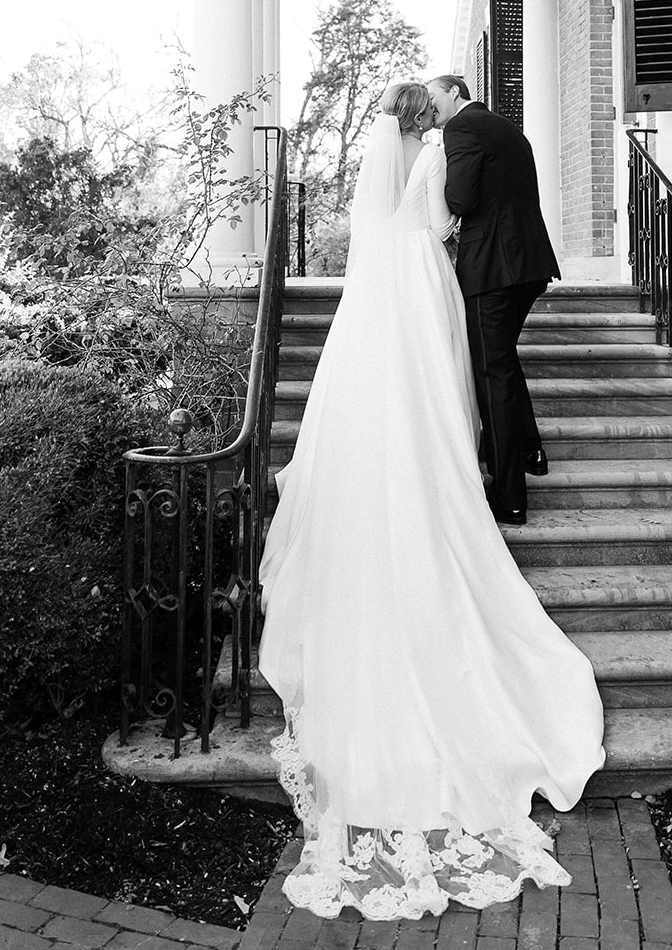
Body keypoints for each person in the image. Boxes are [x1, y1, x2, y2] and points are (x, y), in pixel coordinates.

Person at [258, 81, 605, 921]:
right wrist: (444, 231)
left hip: (387, 282)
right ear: (426, 115)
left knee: (400, 383)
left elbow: (424, 218)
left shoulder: (398, 166)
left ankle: (483, 456)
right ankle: (479, 460)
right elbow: (444, 218)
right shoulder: (438, 151)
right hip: (423, 278)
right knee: (445, 379)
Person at [427, 76, 559, 526]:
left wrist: (434, 178)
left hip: (493, 269)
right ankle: (531, 451)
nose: (430, 105)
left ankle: (510, 497)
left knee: (491, 373)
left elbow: (460, 199)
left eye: (434, 96)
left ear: (455, 93)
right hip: (529, 263)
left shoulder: (461, 130)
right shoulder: (506, 127)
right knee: (501, 359)